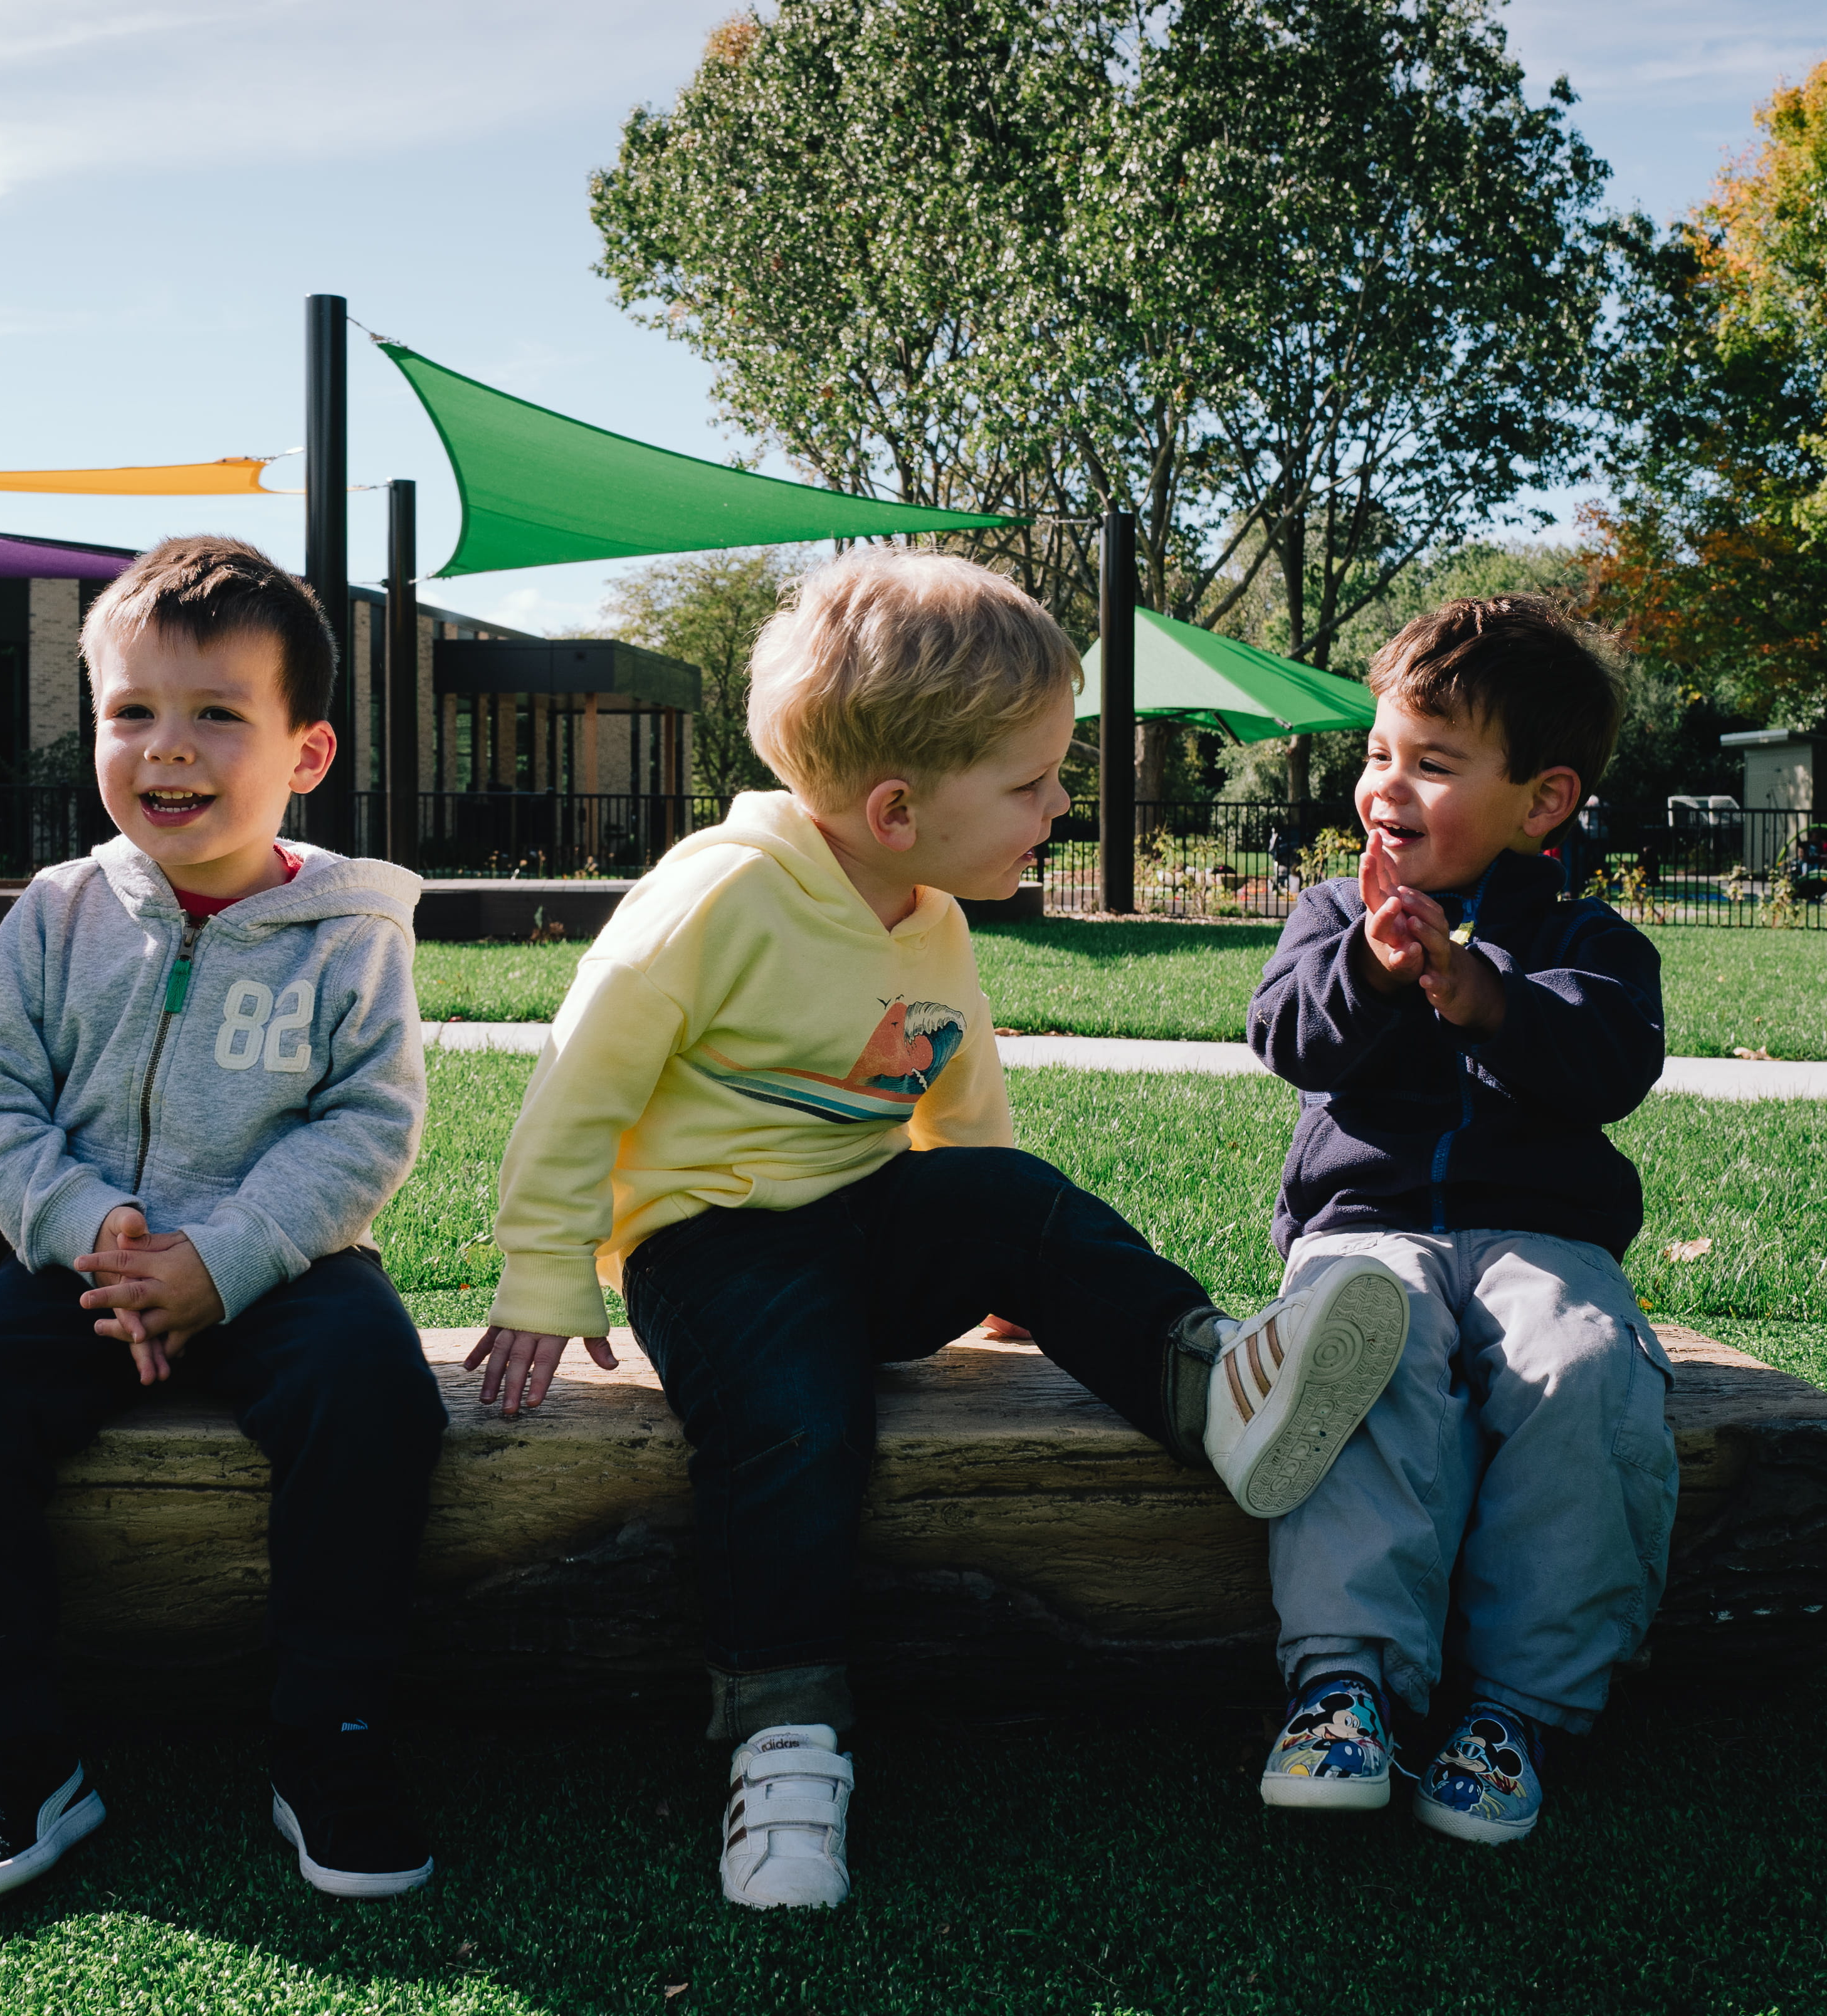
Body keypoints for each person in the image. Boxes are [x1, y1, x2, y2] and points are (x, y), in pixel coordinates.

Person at [465, 549, 1409, 1911]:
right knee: (797, 1419)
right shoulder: (723, 895)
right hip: (715, 1247)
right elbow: (580, 1079)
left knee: (1017, 1196)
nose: (1060, 804)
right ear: (897, 806)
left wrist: (1010, 1270)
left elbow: (960, 1123)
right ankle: (782, 1729)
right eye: (1030, 784)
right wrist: (545, 1270)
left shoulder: (931, 920)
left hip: (861, 1226)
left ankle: (1209, 1381)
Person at [0, 535, 443, 1928]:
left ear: (304, 754)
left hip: (282, 1267)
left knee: (374, 1390)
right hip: (84, 1263)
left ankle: (334, 1737)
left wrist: (226, 1260)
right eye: (131, 713)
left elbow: (366, 1125)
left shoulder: (348, 928)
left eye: (214, 716)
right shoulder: (62, 912)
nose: (165, 750)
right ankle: (12, 1759)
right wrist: (85, 1227)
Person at [1245, 594, 1671, 1847]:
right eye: (1380, 754)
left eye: (1432, 764)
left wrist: (1484, 996)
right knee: (1357, 1346)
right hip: (1365, 1222)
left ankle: (1519, 1707)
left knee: (1580, 1364)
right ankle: (1345, 1679)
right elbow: (1285, 1037)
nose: (1386, 785)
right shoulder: (1332, 914)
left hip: (1540, 1236)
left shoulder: (1589, 941)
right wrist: (1377, 973)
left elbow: (1606, 1067)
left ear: (1542, 801)